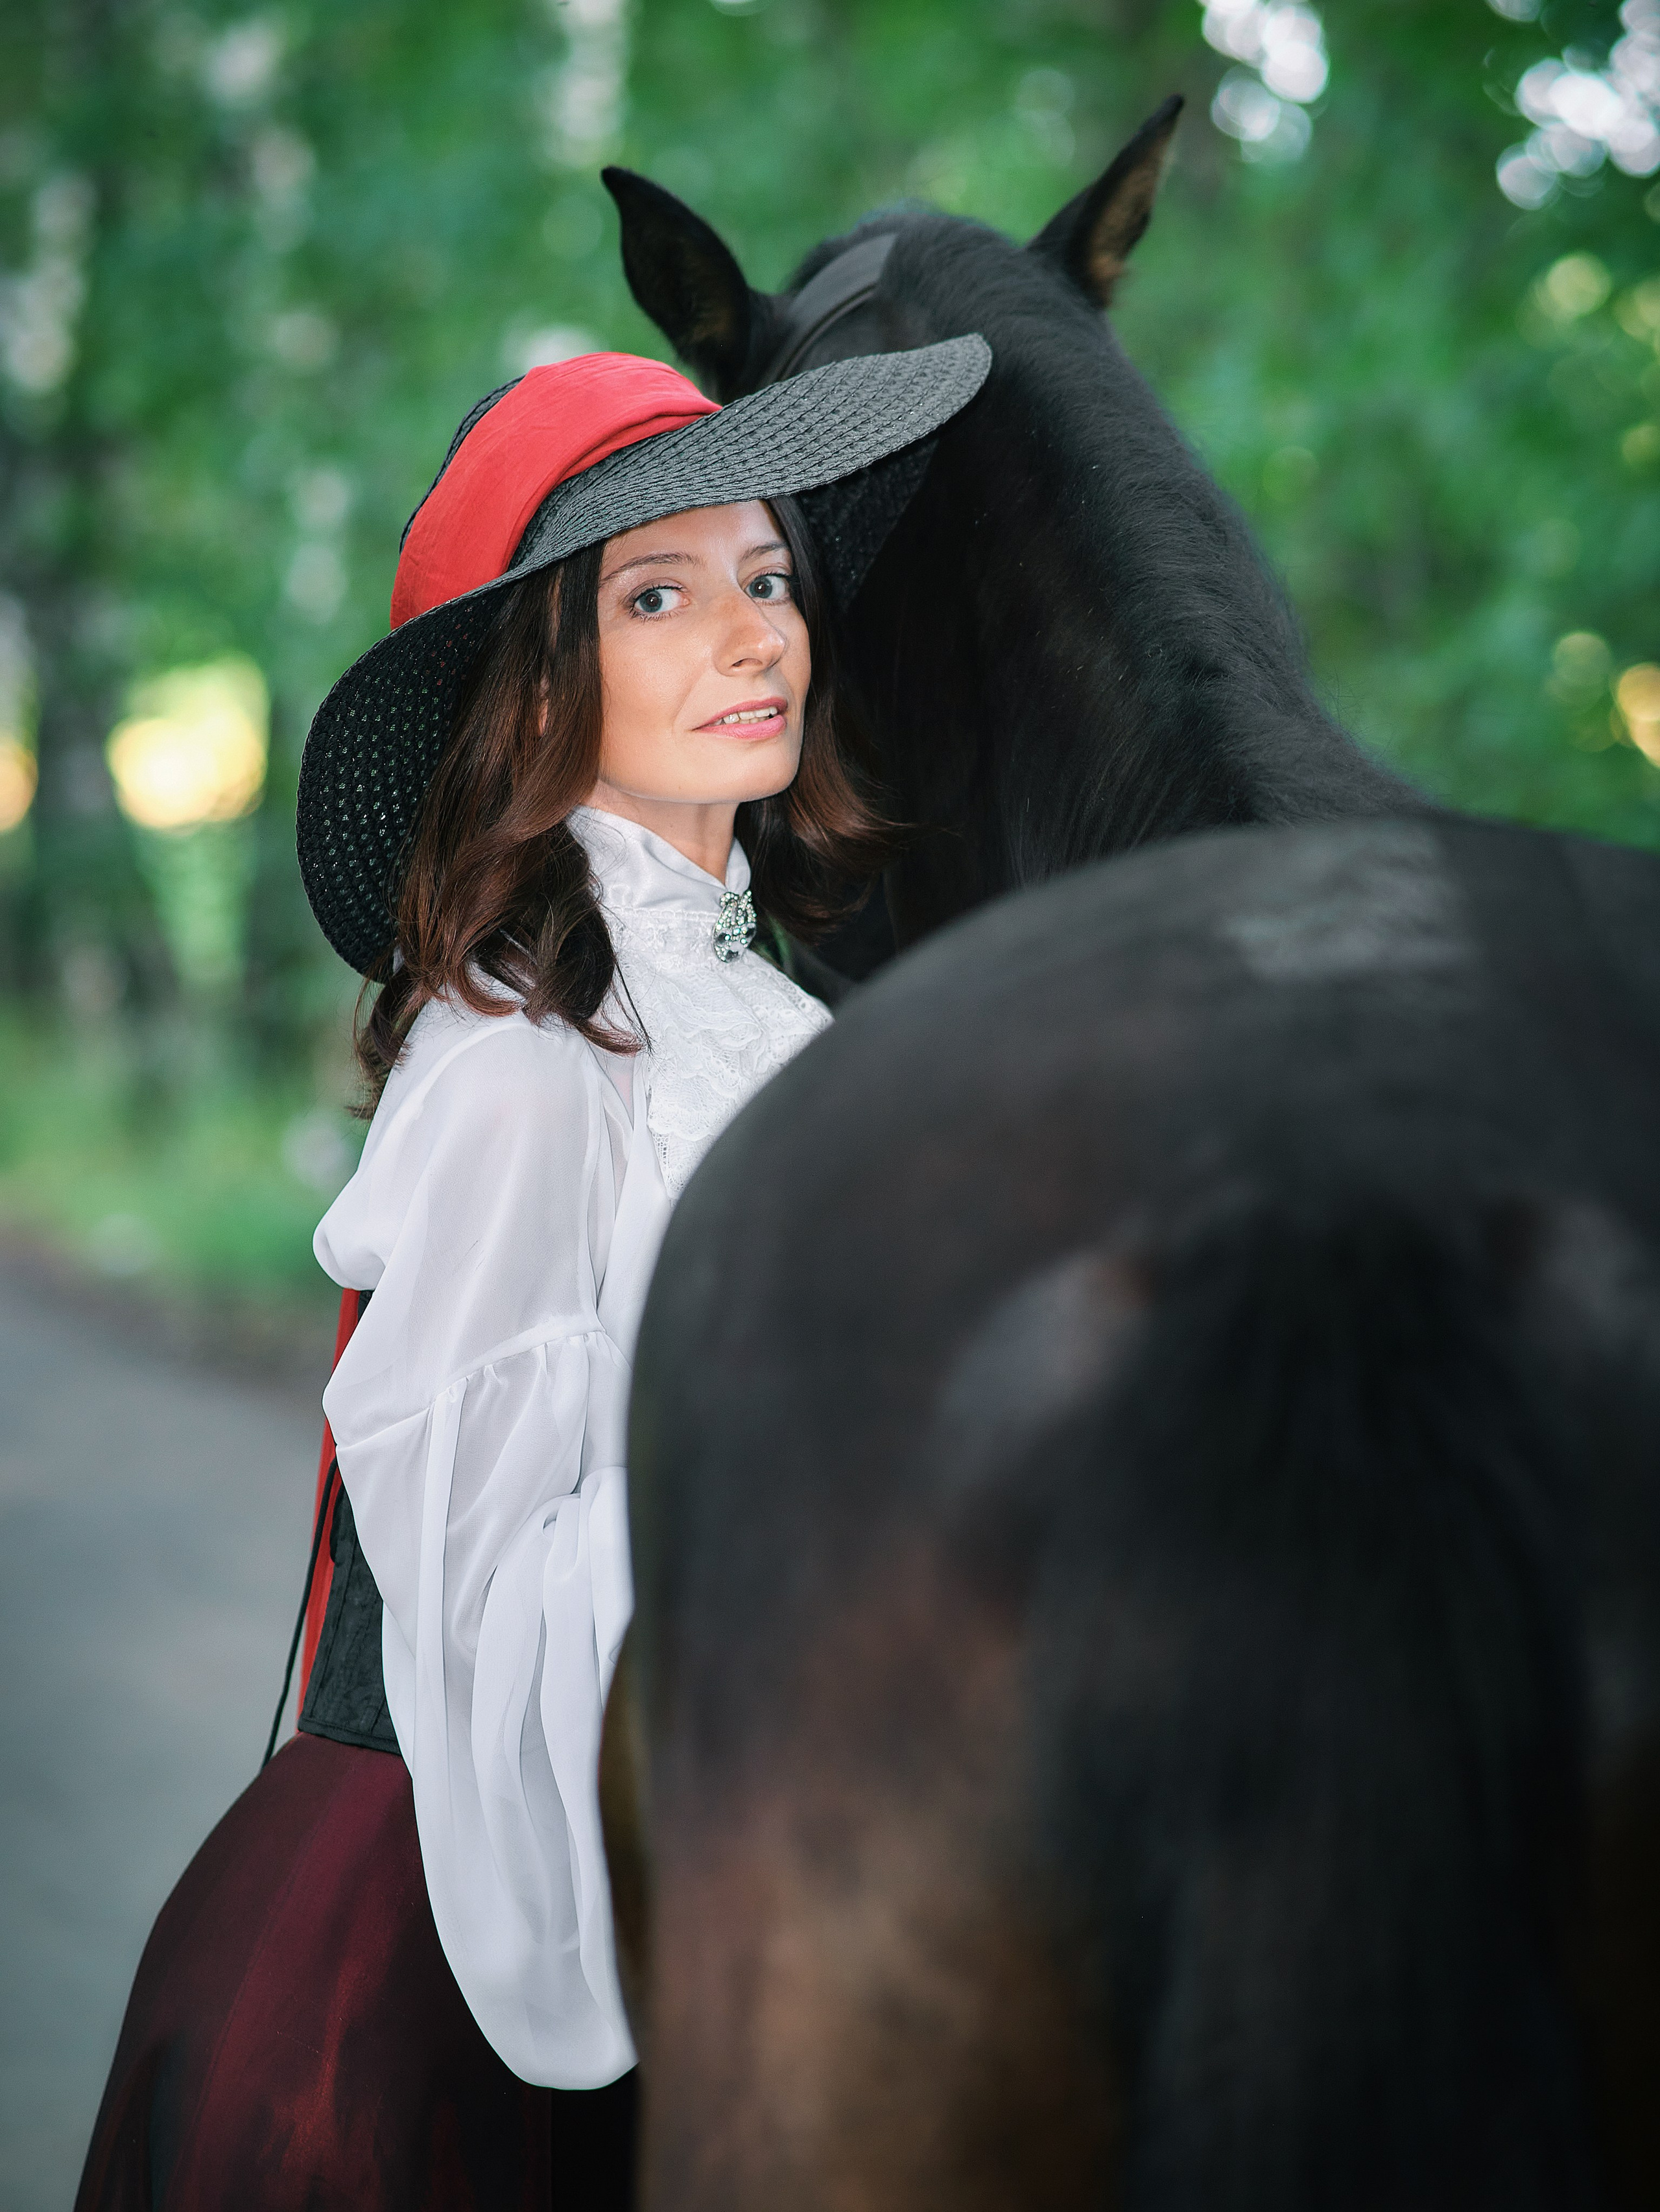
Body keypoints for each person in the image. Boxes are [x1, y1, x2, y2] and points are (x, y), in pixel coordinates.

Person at [77, 334, 990, 2211]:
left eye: (769, 578)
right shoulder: (518, 1059)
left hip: (723, 1852)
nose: (755, 637)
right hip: (464, 1948)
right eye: (662, 593)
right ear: (544, 683)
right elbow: (478, 1610)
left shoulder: (761, 1016)